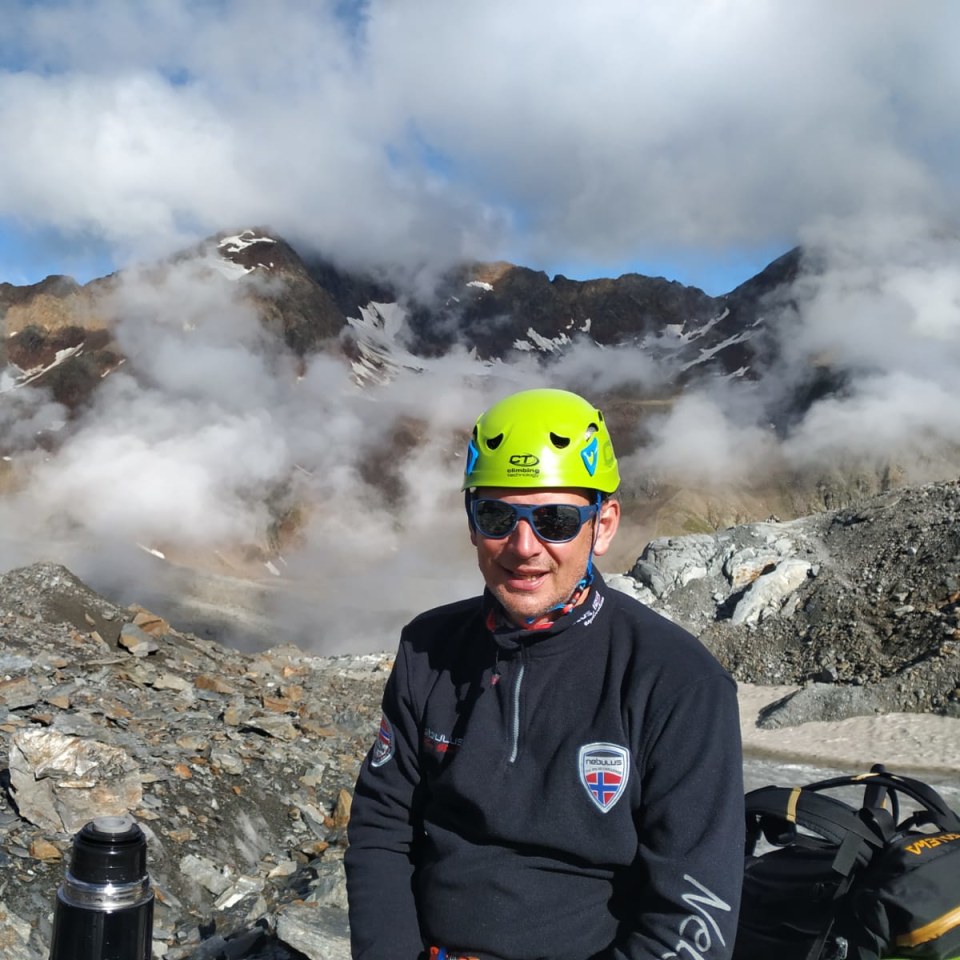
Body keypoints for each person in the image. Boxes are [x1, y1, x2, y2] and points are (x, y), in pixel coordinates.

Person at [344, 387, 745, 960]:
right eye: (497, 515)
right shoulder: (427, 648)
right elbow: (383, 830)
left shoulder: (678, 682)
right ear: (471, 522)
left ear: (602, 526)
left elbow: (693, 912)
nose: (523, 546)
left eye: (555, 520)